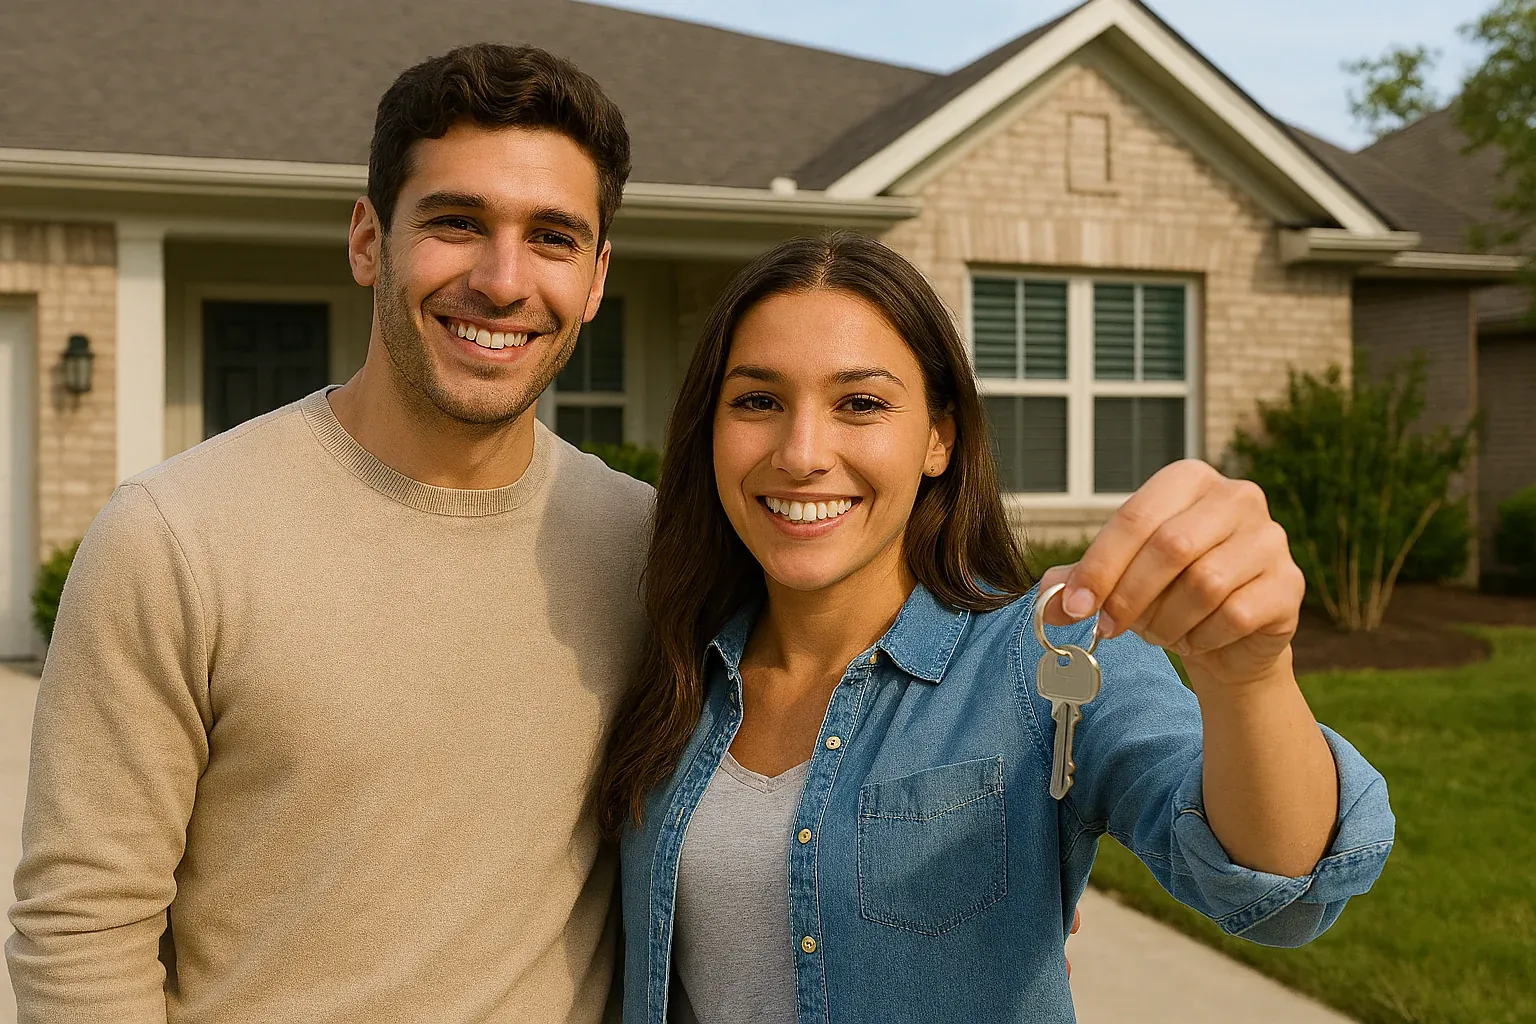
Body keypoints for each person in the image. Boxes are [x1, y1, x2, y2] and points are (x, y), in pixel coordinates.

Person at [599, 232, 1394, 1024]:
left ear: (939, 438)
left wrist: (1247, 674)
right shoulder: (667, 664)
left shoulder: (1045, 658)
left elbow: (1279, 887)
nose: (802, 453)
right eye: (758, 401)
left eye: (862, 404)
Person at [8, 44, 650, 1023]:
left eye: (553, 238)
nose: (503, 279)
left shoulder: (643, 547)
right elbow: (82, 926)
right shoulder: (175, 540)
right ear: (367, 241)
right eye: (456, 223)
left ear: (597, 277)